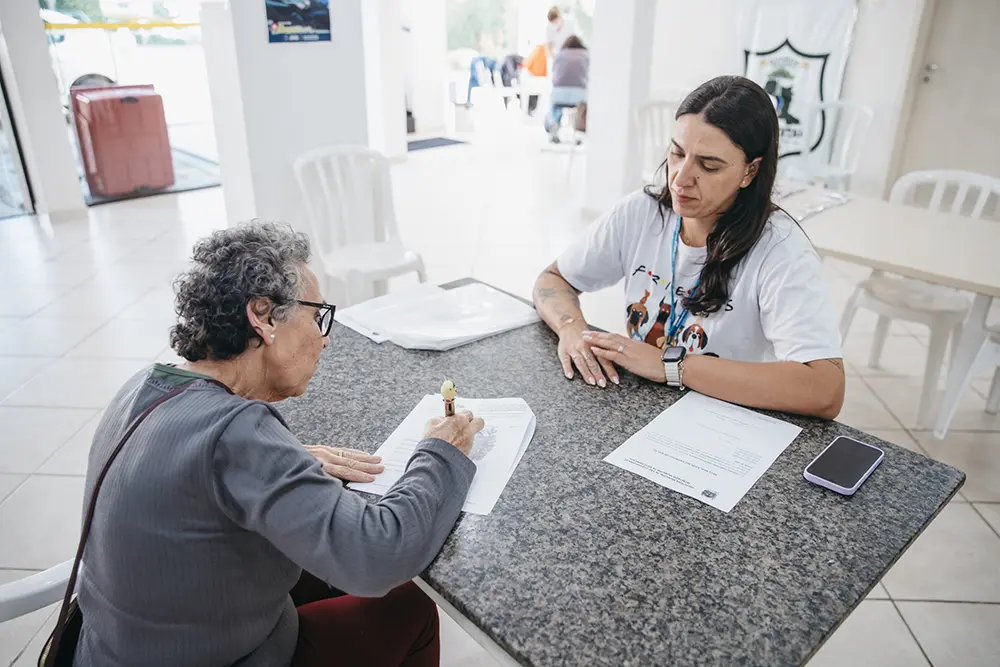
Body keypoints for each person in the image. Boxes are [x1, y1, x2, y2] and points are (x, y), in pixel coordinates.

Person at [73, 222, 485, 667]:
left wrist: (280, 463)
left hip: (114, 648)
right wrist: (442, 451)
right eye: (317, 316)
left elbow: (182, 472)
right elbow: (379, 553)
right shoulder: (237, 434)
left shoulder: (143, 385)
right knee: (408, 608)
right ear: (264, 316)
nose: (325, 338)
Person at [532, 75, 845, 419]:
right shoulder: (641, 213)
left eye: (709, 166)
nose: (681, 177)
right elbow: (553, 279)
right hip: (645, 406)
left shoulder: (781, 251)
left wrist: (671, 366)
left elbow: (825, 389)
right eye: (677, 153)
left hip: (729, 414)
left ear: (750, 172)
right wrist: (571, 327)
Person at [544, 34, 589, 142]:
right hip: (579, 94)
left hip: (559, 92)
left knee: (555, 107)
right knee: (583, 107)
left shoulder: (559, 55)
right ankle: (579, 130)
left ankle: (554, 123)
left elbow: (554, 74)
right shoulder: (585, 55)